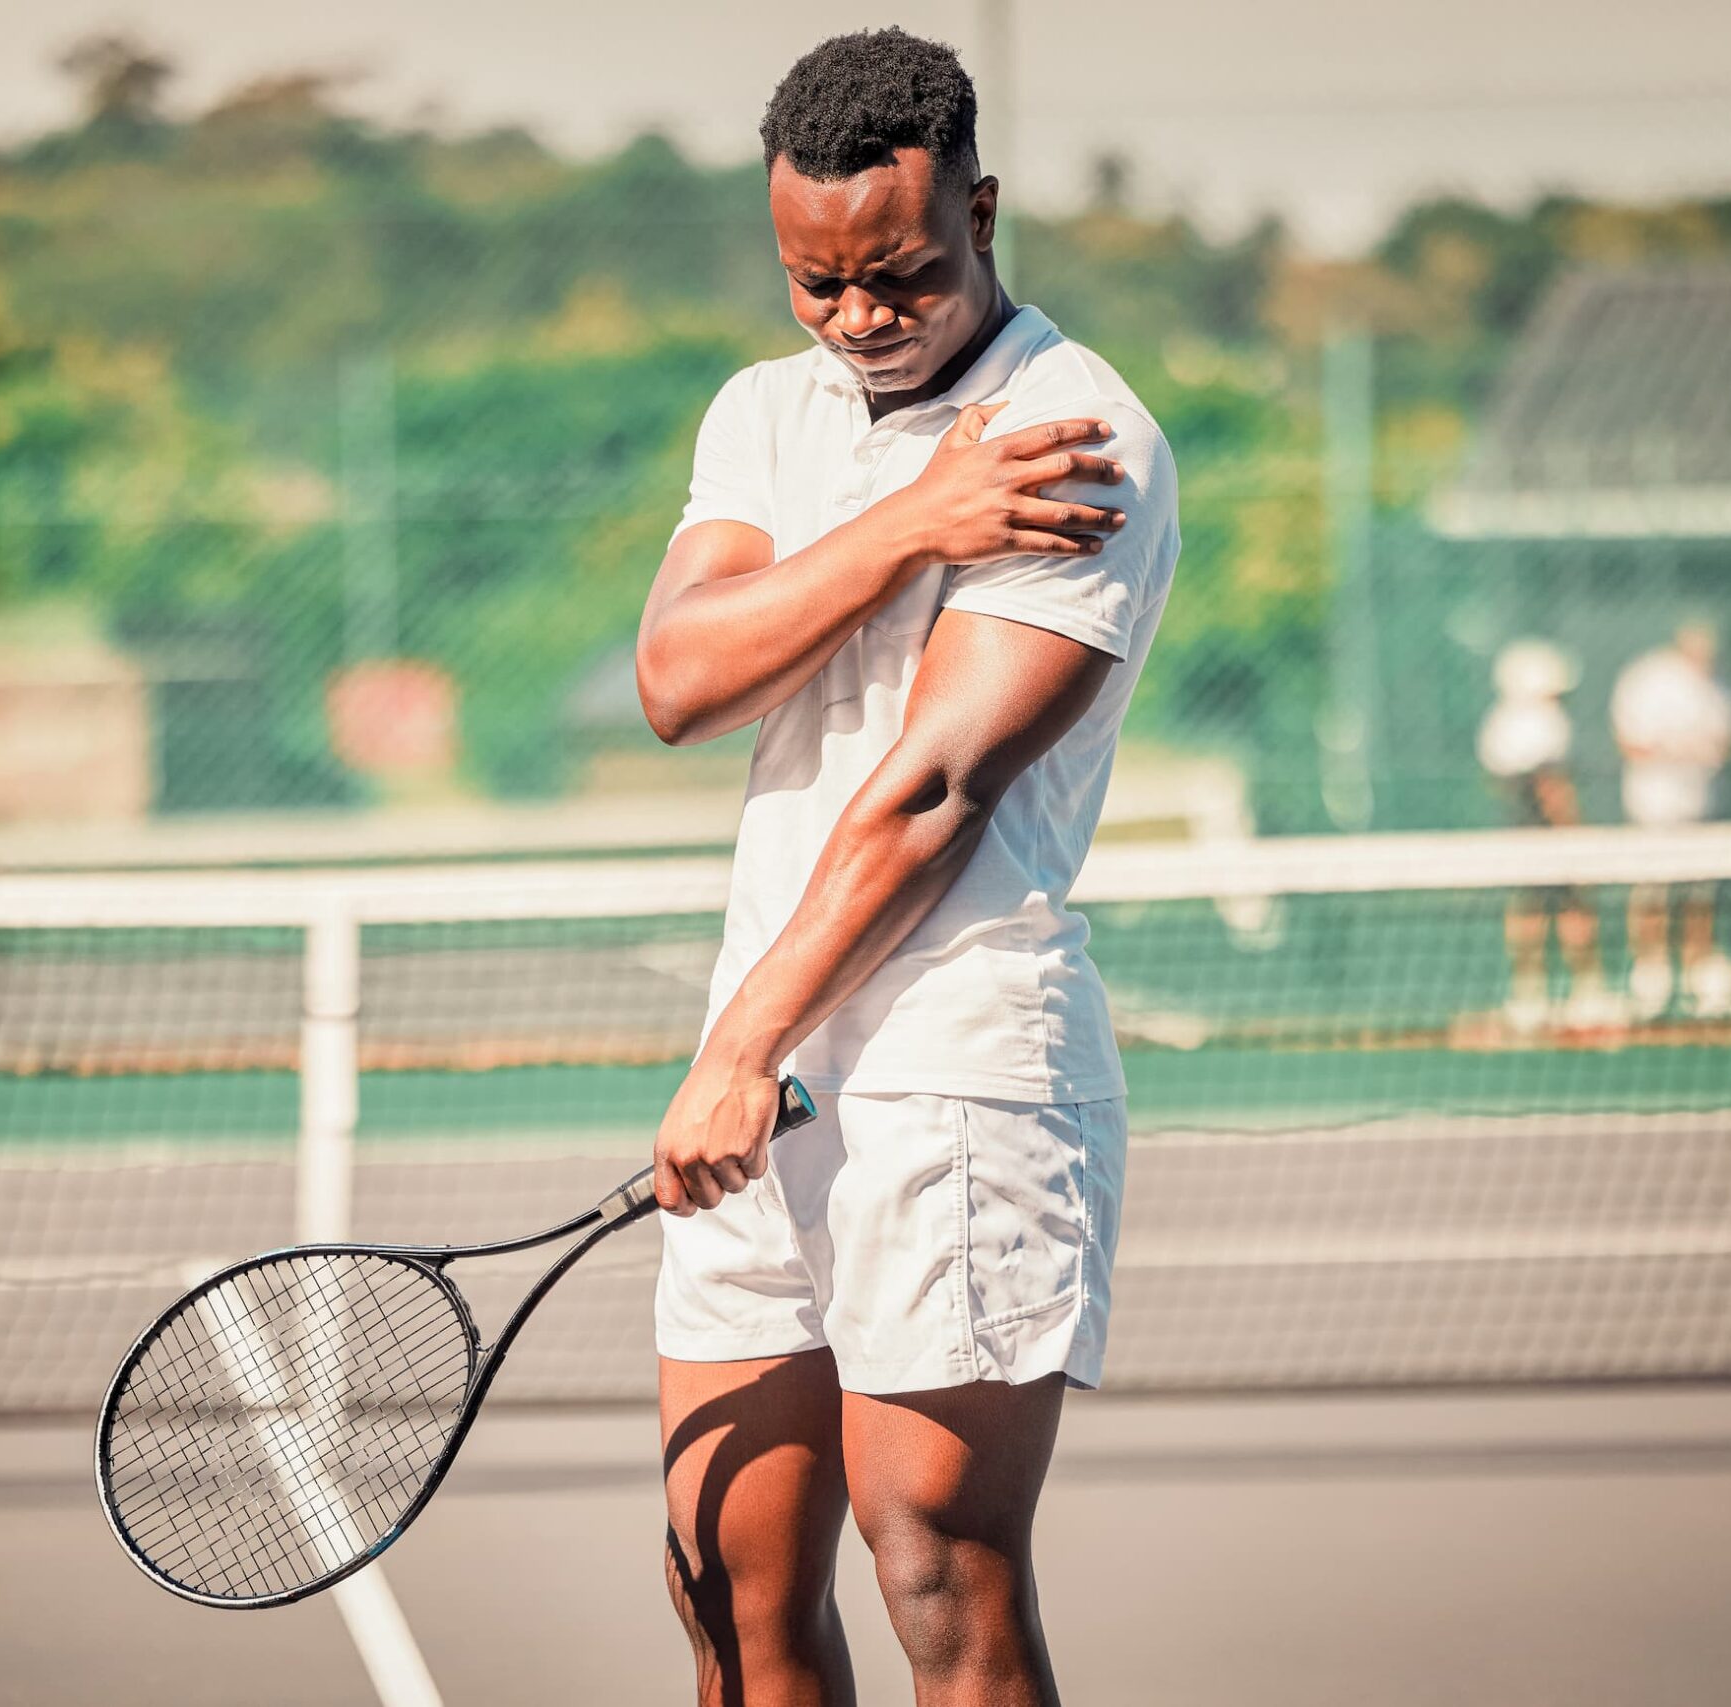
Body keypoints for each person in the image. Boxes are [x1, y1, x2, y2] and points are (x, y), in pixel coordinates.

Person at [633, 28, 1178, 1706]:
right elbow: (679, 678)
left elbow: (930, 787)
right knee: (724, 1577)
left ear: (984, 212)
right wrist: (905, 525)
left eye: (905, 278)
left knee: (935, 1561)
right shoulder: (765, 414)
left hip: (955, 1066)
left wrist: (737, 1049)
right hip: (766, 1059)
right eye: (819, 285)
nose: (864, 318)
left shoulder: (1075, 435)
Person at [1477, 639, 1621, 1036]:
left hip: (1518, 831)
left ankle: (1529, 996)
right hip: (1548, 833)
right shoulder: (1546, 722)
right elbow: (1551, 786)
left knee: (1528, 911)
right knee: (1574, 909)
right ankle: (1587, 993)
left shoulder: (1498, 722)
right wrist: (1574, 833)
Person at [1611, 621, 1731, 1018]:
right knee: (1652, 892)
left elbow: (1729, 744)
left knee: (1699, 895)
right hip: (1652, 811)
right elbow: (1631, 743)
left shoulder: (1722, 688)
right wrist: (1678, 751)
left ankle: (1698, 975)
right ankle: (1650, 978)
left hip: (1703, 810)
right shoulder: (1647, 680)